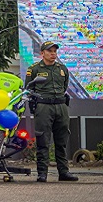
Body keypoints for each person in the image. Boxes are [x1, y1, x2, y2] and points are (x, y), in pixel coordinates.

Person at [26, 41, 78, 182]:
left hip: (61, 106)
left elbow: (65, 85)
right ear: (42, 53)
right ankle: (42, 173)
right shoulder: (34, 69)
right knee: (43, 140)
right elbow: (29, 88)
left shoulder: (62, 68)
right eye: (49, 51)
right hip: (44, 106)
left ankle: (64, 172)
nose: (53, 53)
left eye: (54, 51)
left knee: (61, 141)